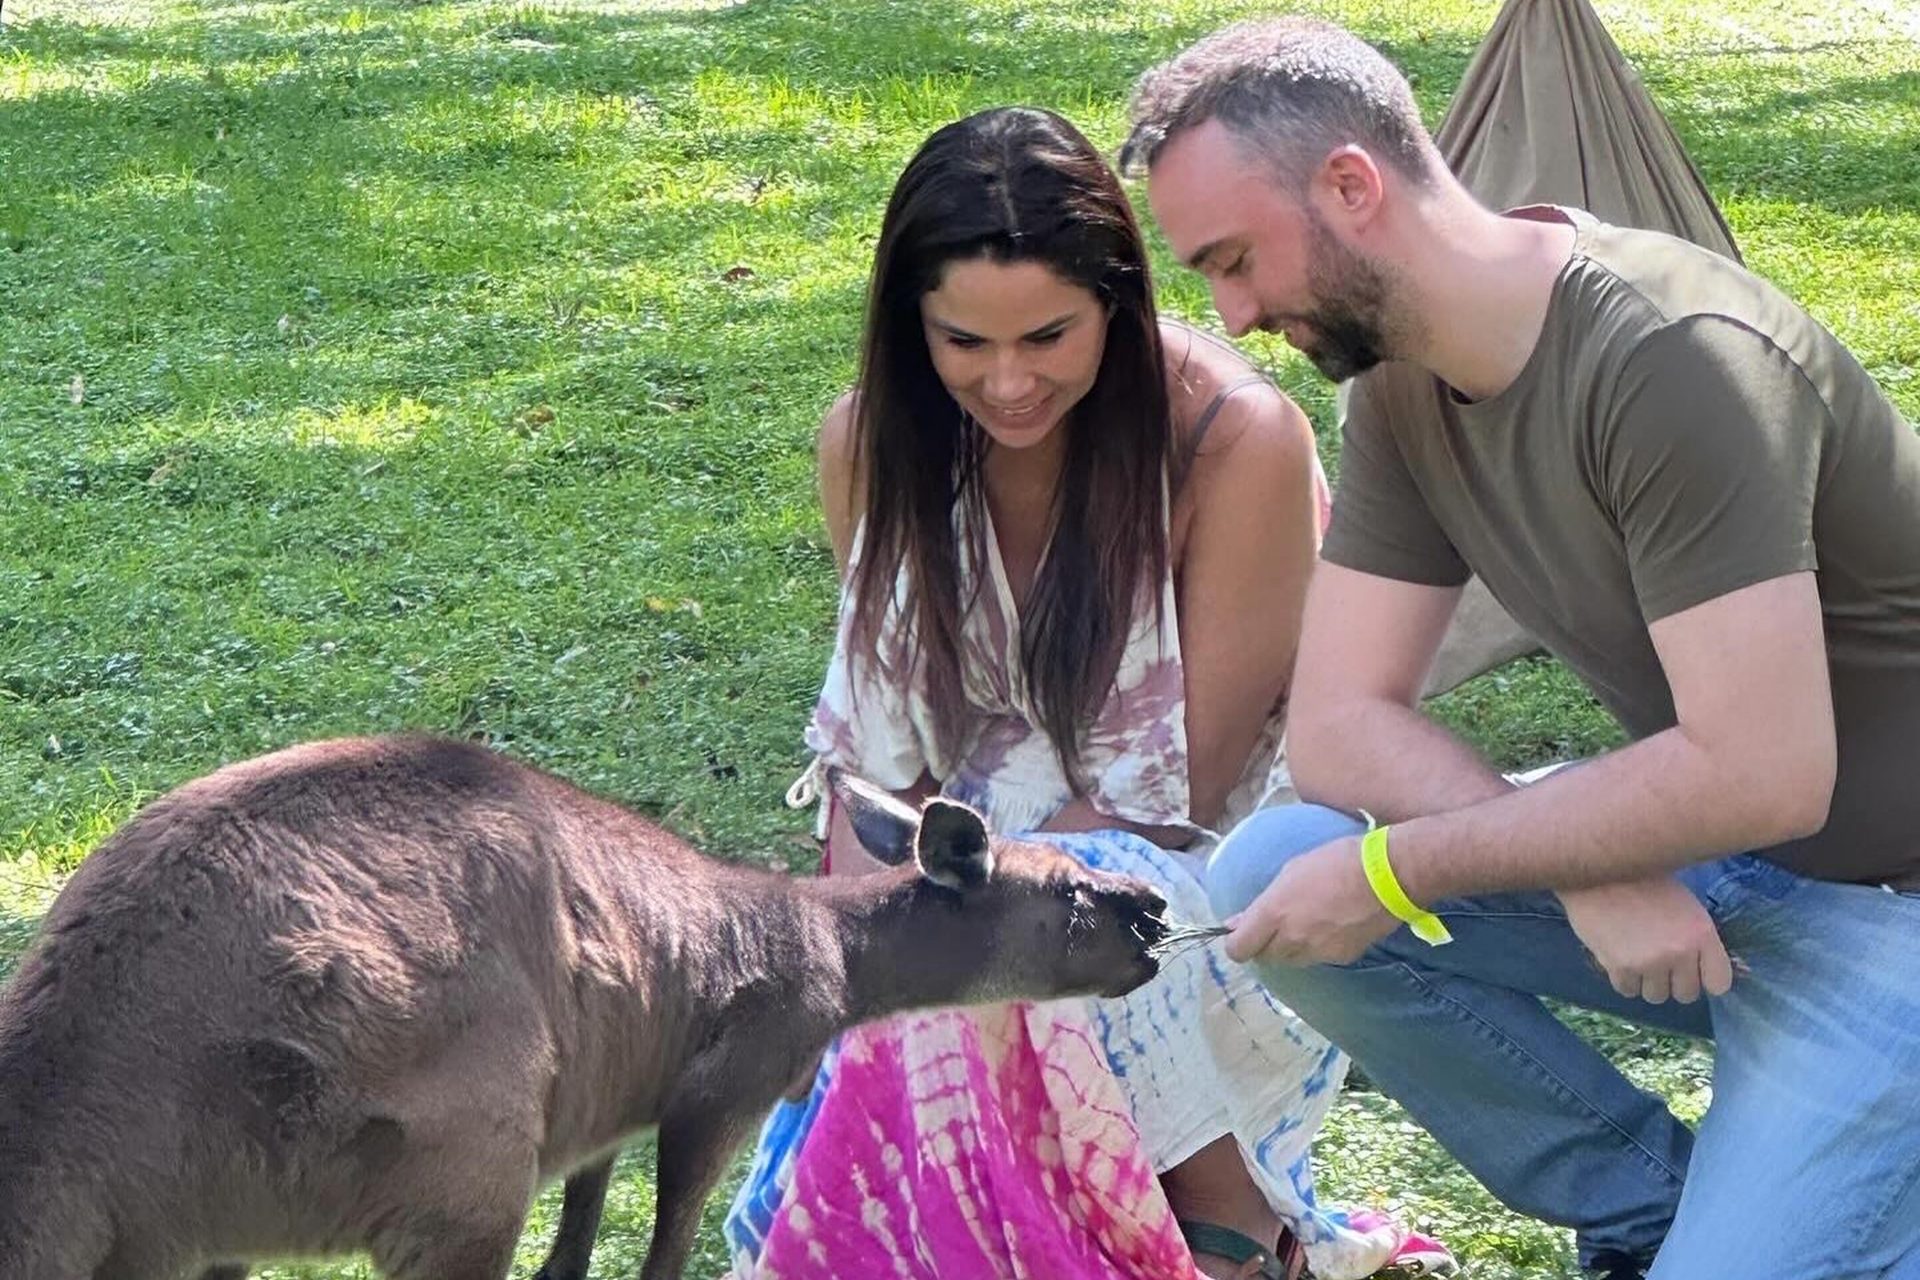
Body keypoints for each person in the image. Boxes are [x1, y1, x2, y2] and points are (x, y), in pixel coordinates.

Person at [1121, 16, 1920, 1280]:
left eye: (1236, 260)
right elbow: (1339, 727)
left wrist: (1411, 871)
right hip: (1732, 862)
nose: (1234, 312)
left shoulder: (1676, 359)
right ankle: (1647, 1202)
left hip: (1897, 911)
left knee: (1357, 875)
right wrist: (1582, 871)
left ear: (1350, 185)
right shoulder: (1398, 386)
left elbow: (1769, 768)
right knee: (1280, 857)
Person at [720, 106, 1455, 1280]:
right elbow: (873, 775)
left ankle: (1227, 1225)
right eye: (964, 343)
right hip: (957, 876)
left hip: (1202, 896)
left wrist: (949, 907)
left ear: (1118, 300)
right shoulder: (870, 442)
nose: (1009, 382)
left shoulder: (1234, 442)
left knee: (1037, 926)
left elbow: (1186, 796)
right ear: (913, 329)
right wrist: (851, 949)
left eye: (1050, 336)